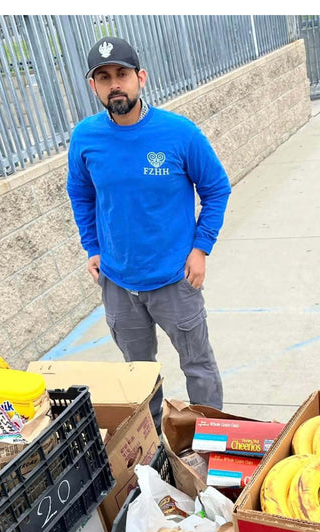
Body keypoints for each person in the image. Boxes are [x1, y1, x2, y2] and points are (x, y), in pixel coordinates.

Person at [67, 36, 231, 430]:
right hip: (119, 284)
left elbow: (216, 188)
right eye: (103, 77)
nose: (114, 84)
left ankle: (211, 438)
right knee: (139, 376)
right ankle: (156, 442)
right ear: (94, 87)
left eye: (122, 74)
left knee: (199, 366)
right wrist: (92, 246)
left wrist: (201, 248)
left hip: (175, 278)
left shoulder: (179, 132)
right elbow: (81, 194)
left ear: (140, 77)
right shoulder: (85, 137)